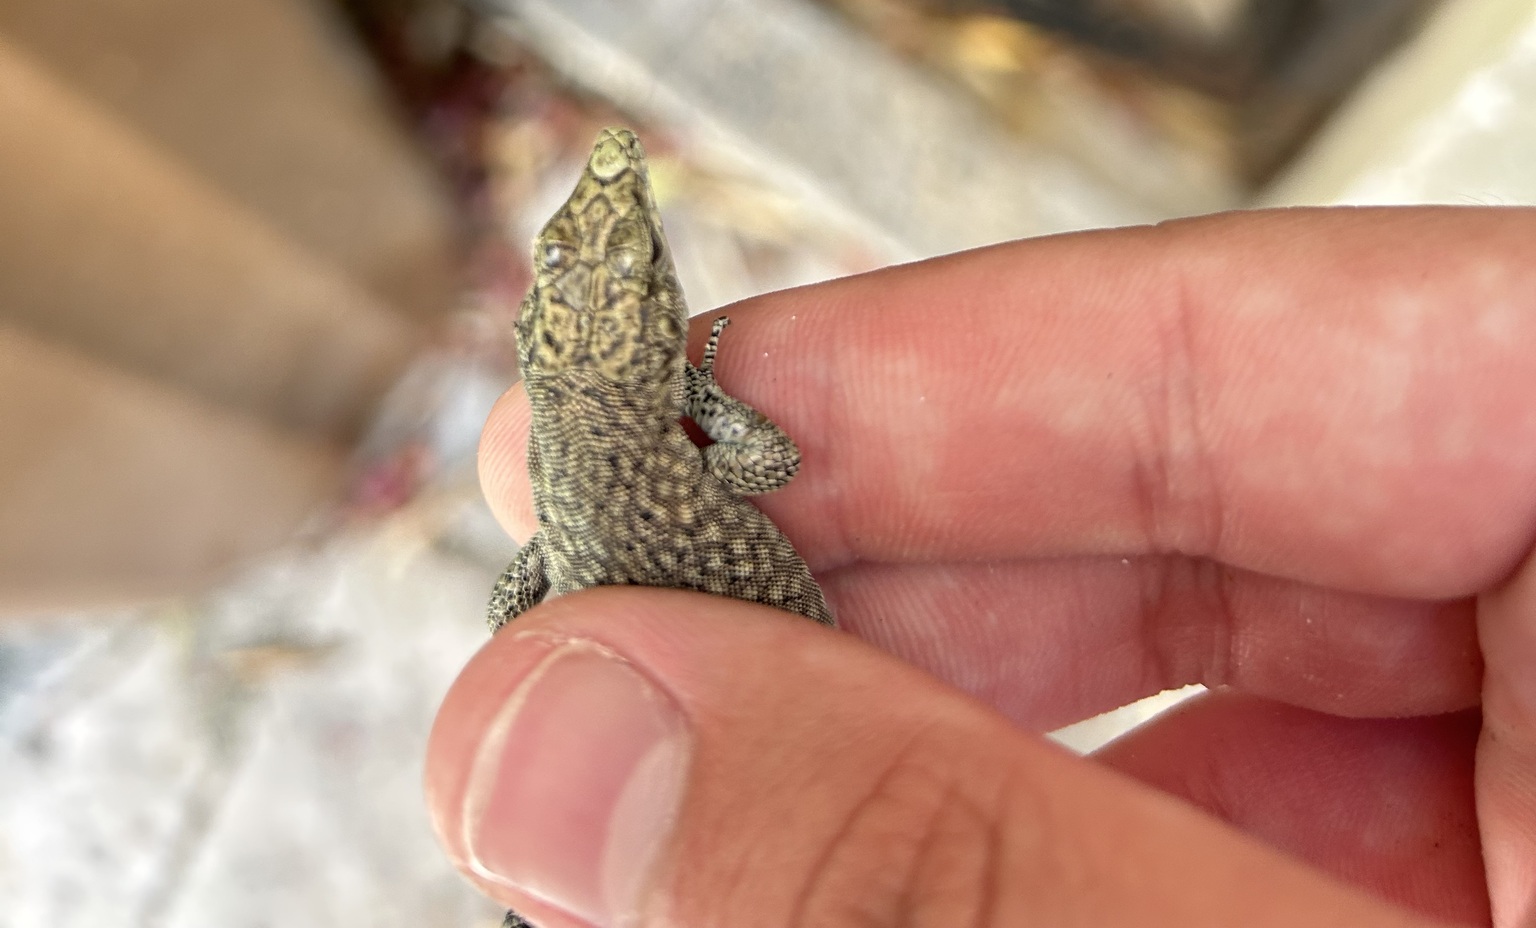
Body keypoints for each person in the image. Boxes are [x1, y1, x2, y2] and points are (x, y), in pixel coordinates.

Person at [426, 205, 1536, 927]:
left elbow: (516, 600)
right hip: (755, 678)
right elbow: (771, 458)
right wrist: (700, 399)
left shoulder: (557, 475)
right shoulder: (644, 448)